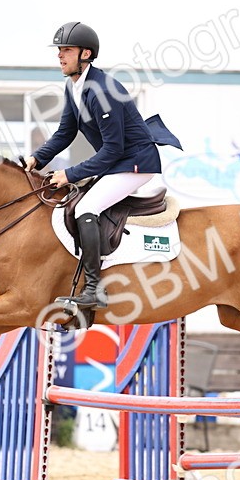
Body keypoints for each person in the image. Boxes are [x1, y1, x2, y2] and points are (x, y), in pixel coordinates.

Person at [24, 21, 181, 310]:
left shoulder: (101, 90)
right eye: (59, 50)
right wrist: (38, 159)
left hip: (135, 163)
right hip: (119, 161)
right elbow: (65, 133)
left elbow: (113, 149)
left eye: (67, 50)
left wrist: (70, 173)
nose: (60, 56)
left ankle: (95, 289)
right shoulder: (73, 87)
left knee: (86, 207)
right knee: (75, 201)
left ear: (86, 54)